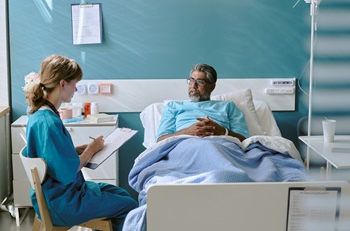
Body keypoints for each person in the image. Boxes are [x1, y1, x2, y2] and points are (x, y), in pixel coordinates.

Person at [24, 54, 137, 231]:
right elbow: (68, 172)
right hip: (63, 203)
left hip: (58, 195)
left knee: (120, 193)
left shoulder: (39, 115)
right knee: (129, 206)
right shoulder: (49, 122)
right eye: (74, 84)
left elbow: (49, 156)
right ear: (63, 84)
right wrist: (91, 150)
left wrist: (76, 150)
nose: (75, 90)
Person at [156, 63, 249, 142]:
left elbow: (244, 140)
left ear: (212, 86)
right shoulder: (173, 107)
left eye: (200, 82)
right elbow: (160, 140)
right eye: (191, 80)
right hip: (185, 146)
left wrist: (222, 131)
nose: (193, 85)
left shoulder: (228, 107)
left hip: (221, 146)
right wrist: (187, 131)